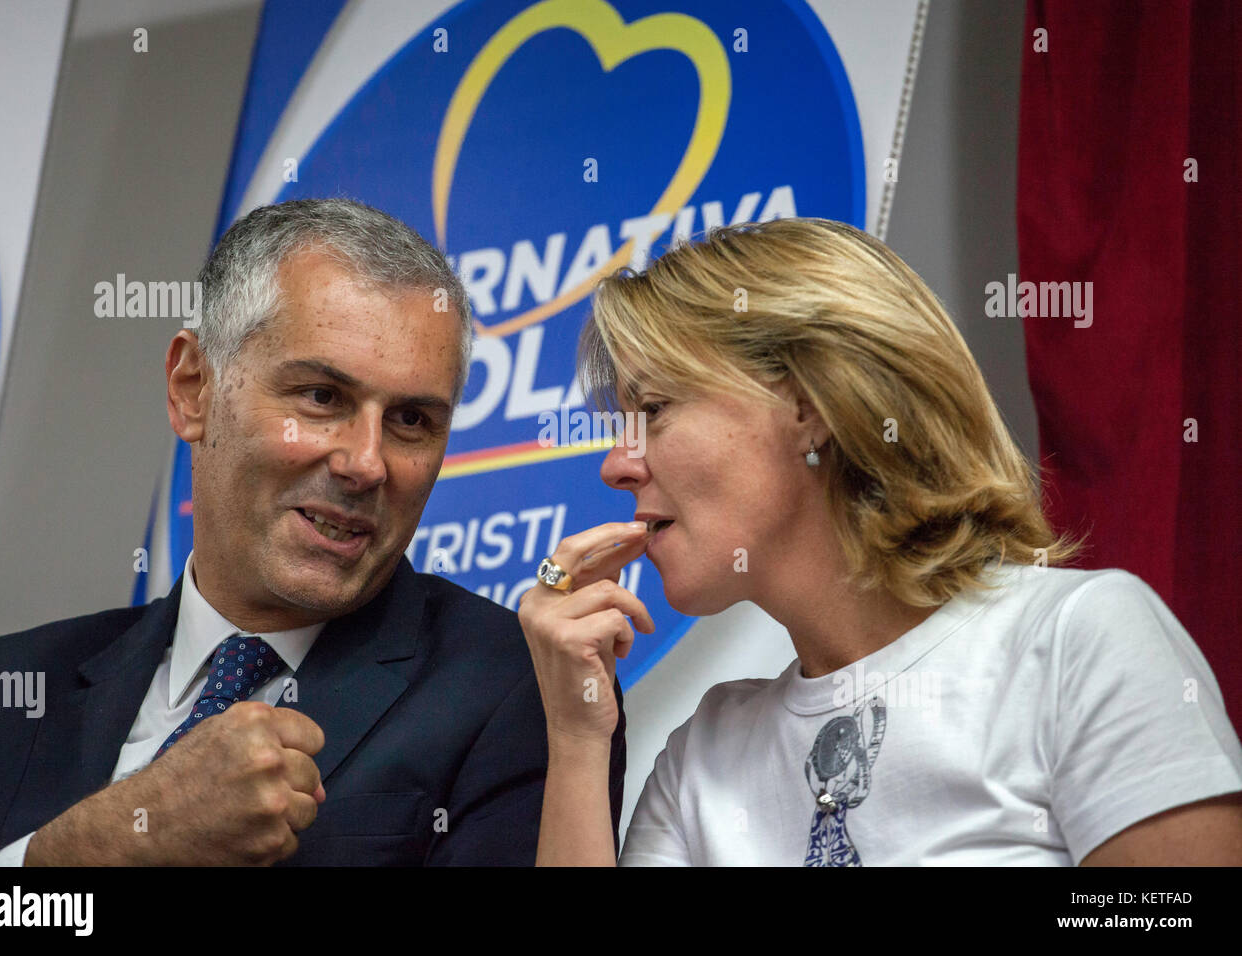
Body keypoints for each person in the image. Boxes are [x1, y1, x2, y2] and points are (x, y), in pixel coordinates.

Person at [518, 217, 1242, 866]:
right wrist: (577, 741)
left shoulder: (1077, 640)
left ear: (810, 407)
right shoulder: (702, 757)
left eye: (654, 409)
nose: (616, 463)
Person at [0, 198, 626, 867]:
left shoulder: (520, 691)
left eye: (411, 421)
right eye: (322, 398)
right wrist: (112, 845)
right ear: (193, 388)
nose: (365, 462)